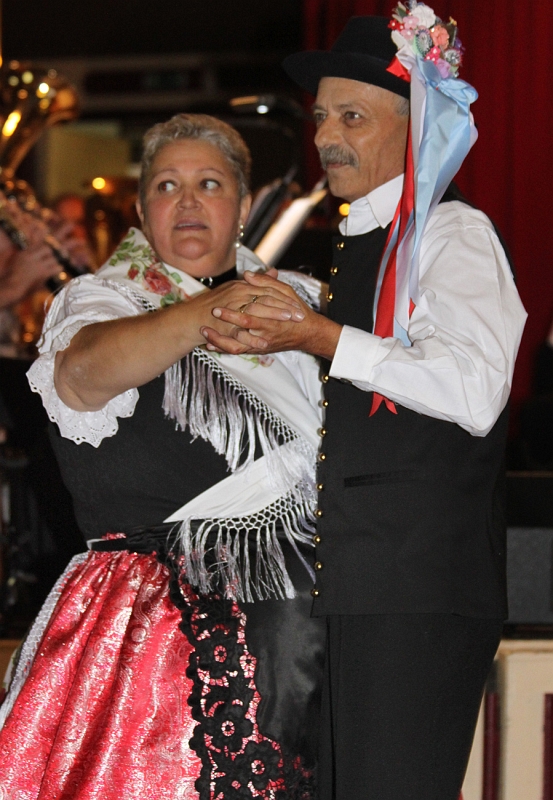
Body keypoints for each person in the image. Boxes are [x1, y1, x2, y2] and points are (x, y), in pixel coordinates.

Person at [200, 7, 528, 800]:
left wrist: (318, 335)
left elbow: (474, 390)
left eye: (352, 117)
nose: (325, 137)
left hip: (415, 592)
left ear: (414, 132)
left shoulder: (452, 233)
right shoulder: (357, 252)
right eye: (320, 117)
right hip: (352, 590)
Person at [0, 113, 326, 799]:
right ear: (142, 211)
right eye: (166, 186)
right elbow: (80, 375)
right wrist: (209, 313)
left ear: (244, 205)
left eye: (209, 184)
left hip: (309, 624)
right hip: (162, 631)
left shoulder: (299, 302)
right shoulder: (103, 300)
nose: (186, 201)